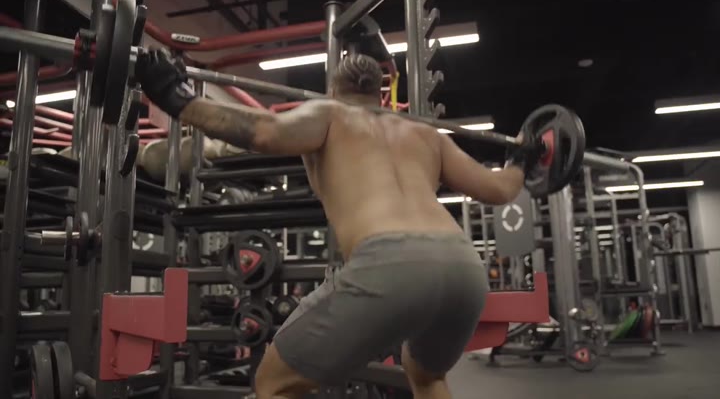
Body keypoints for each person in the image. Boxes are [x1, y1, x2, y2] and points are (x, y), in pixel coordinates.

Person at [136, 49, 534, 399]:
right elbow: (500, 189)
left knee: (274, 384)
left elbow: (263, 132)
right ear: (379, 92)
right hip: (464, 267)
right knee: (428, 378)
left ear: (332, 88)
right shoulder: (424, 133)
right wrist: (524, 157)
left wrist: (176, 98)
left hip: (392, 263)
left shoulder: (328, 113)